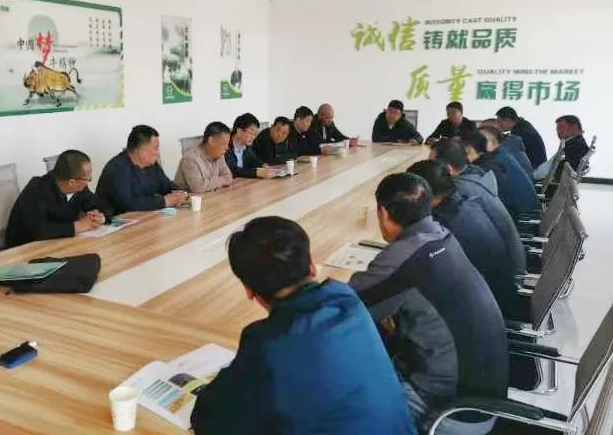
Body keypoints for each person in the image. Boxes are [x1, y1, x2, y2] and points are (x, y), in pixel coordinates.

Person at [190, 217, 416, 435]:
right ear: (312, 265)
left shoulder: (266, 344)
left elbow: (208, 418)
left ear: (248, 290)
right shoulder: (348, 300)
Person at [349, 173, 508, 435]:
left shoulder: (402, 256)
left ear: (383, 213)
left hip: (450, 410)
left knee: (341, 376)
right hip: (488, 396)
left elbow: (345, 308)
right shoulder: (444, 236)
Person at [407, 160, 522, 320]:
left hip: (487, 313)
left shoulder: (443, 229)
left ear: (421, 194)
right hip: (500, 298)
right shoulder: (468, 204)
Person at [428, 140, 526, 277]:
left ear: (448, 169)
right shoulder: (476, 175)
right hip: (511, 261)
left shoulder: (461, 190)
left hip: (502, 273)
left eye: (431, 164)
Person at [5, 150, 109, 247]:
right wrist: (78, 226)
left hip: (59, 245)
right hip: (23, 250)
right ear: (72, 182)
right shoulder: (36, 189)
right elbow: (39, 231)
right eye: (88, 178)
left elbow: (100, 205)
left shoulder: (80, 188)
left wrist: (100, 217)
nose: (90, 180)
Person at [96, 125, 187, 215]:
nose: (158, 153)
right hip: (115, 221)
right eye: (156, 148)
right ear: (141, 151)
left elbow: (167, 185)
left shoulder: (152, 165)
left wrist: (180, 194)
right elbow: (128, 204)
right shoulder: (117, 168)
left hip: (144, 218)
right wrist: (164, 201)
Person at [479, 127, 539, 216]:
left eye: (480, 141)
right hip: (525, 207)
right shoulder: (503, 153)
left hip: (521, 212)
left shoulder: (495, 162)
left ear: (494, 143)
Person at [174, 121, 234, 193]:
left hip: (210, 196)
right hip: (187, 198)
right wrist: (222, 180)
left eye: (227, 144)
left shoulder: (219, 155)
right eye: (224, 144)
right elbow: (198, 187)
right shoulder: (190, 158)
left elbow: (229, 177)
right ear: (211, 140)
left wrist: (210, 183)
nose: (227, 148)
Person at [429, 138, 497, 199]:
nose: (428, 166)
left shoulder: (458, 192)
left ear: (448, 169)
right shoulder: (476, 173)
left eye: (431, 164)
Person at [225, 113, 276, 179]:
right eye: (251, 133)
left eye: (255, 134)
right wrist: (256, 172)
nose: (253, 137)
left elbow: (254, 158)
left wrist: (263, 165)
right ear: (239, 131)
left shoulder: (247, 146)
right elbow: (232, 170)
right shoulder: (225, 145)